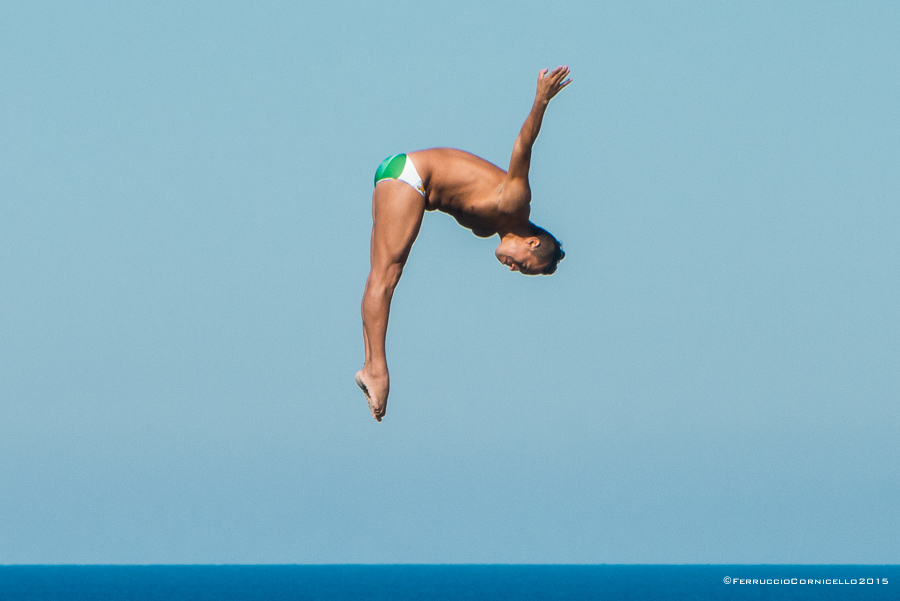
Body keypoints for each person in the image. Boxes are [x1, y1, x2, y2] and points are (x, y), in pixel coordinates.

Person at [356, 66, 572, 421]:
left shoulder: (495, 228)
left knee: (379, 278)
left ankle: (370, 365)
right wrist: (541, 101)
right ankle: (378, 371)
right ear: (532, 242)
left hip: (400, 177)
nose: (514, 268)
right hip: (410, 178)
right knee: (385, 278)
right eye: (524, 264)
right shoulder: (515, 203)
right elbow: (523, 146)